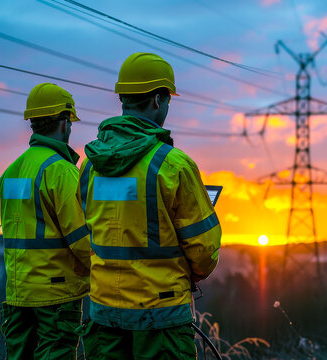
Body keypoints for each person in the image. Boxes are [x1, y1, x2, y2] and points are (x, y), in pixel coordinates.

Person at [77, 52, 221, 359]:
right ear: (158, 100)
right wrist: (193, 273)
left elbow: (88, 232)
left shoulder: (90, 166)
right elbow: (204, 249)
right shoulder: (173, 165)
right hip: (162, 319)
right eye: (168, 98)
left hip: (103, 315)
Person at [0, 83, 91, 359]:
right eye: (70, 121)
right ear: (63, 123)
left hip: (18, 294)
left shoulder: (11, 172)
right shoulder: (61, 172)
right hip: (56, 297)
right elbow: (82, 240)